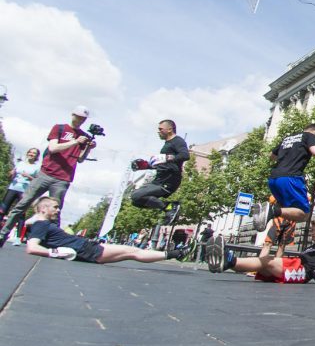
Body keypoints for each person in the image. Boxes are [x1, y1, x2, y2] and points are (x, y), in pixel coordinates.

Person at [0, 106, 97, 247]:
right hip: (45, 173)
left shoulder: (84, 137)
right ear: (73, 115)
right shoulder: (60, 128)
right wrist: (76, 141)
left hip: (63, 178)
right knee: (23, 204)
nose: (80, 120)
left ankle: (50, 242)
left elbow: (80, 159)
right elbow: (53, 148)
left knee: (55, 212)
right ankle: (4, 233)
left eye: (83, 118)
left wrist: (88, 147)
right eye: (78, 116)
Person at [24, 196, 186, 264]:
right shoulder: (42, 224)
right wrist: (56, 253)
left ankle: (175, 254)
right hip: (85, 249)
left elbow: (29, 222)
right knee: (132, 251)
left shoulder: (39, 222)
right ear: (43, 208)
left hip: (85, 248)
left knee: (131, 253)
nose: (58, 210)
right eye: (55, 207)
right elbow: (32, 248)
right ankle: (175, 254)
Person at [251, 123, 315, 232]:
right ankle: (272, 211)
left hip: (274, 179)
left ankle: (271, 212)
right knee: (303, 214)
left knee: (288, 210)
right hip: (290, 178)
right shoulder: (310, 136)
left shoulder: (288, 138)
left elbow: (272, 156)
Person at [207, 218, 315, 284]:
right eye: (312, 230)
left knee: (268, 261)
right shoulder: (310, 247)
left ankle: (230, 260)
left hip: (300, 271)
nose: (313, 233)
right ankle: (227, 264)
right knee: (262, 267)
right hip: (295, 266)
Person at [131, 120, 190, 242]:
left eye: (160, 129)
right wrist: (145, 165)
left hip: (170, 179)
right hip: (159, 179)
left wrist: (168, 157)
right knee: (136, 201)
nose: (159, 131)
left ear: (169, 129)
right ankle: (168, 207)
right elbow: (162, 164)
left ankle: (170, 207)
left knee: (137, 195)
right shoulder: (166, 144)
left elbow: (185, 155)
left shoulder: (177, 141)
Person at [1, 147, 40, 243]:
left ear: (36, 156)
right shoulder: (20, 163)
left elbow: (37, 181)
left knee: (20, 213)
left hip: (24, 191)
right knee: (2, 210)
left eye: (34, 153)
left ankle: (18, 238)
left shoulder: (36, 167)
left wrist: (28, 176)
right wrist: (11, 173)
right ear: (27, 153)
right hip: (13, 188)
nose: (31, 154)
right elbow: (11, 175)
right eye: (30, 152)